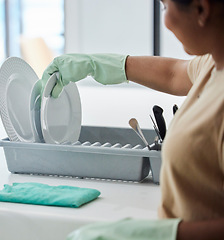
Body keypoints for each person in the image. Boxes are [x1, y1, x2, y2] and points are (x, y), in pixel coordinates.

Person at [41, 0, 224, 239]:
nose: (165, 21)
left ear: (201, 9)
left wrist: (159, 234)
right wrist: (98, 64)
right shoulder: (214, 63)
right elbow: (174, 73)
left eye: (165, 7)